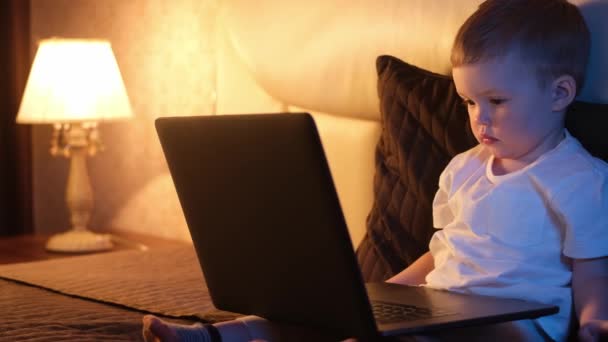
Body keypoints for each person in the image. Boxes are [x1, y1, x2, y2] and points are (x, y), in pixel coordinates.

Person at [143, 0, 608, 340]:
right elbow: (441, 252)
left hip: (517, 323)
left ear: (559, 93)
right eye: (468, 101)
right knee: (335, 316)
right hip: (448, 309)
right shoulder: (464, 169)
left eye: (497, 102)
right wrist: (382, 292)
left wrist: (593, 322)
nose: (478, 119)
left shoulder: (578, 178)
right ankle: (221, 336)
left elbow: (591, 270)